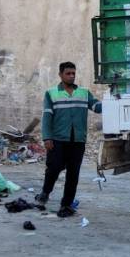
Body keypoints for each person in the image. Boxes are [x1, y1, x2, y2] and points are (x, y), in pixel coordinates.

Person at [37, 62, 103, 218]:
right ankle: (45, 192)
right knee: (53, 169)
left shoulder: (84, 93)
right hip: (58, 140)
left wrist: (113, 99)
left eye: (73, 73)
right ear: (60, 75)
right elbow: (47, 117)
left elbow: (97, 107)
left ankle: (66, 204)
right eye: (68, 73)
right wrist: (47, 137)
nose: (71, 76)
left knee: (73, 174)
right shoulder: (51, 93)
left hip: (78, 141)